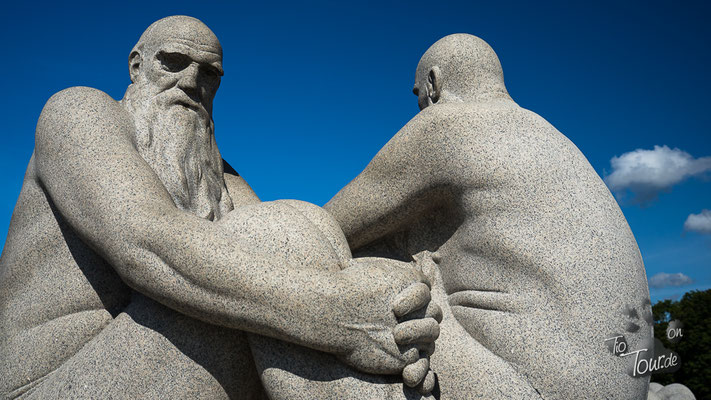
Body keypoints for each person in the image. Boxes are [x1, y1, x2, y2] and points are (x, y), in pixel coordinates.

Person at [0, 16, 439, 399]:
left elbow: (301, 246)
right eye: (173, 62)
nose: (192, 83)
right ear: (137, 66)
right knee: (270, 236)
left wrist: (396, 309)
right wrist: (341, 314)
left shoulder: (219, 176)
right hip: (55, 382)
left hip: (152, 363)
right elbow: (145, 243)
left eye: (209, 73)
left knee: (303, 222)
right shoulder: (79, 113)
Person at [325, 34, 652, 399]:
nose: (418, 106)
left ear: (434, 83)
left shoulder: (445, 125)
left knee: (300, 248)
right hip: (618, 387)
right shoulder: (547, 136)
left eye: (417, 94)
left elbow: (326, 227)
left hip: (529, 386)